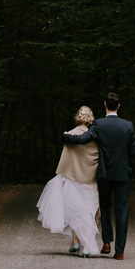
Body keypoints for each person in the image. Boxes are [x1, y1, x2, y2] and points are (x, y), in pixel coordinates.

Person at [65, 92, 135, 260]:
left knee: (104, 208)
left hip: (104, 174)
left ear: (105, 105)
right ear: (118, 106)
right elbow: (133, 153)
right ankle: (119, 251)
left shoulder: (99, 124)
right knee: (122, 211)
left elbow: (82, 139)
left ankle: (106, 242)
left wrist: (66, 136)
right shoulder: (128, 126)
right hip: (122, 175)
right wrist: (129, 171)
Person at [38, 105, 102, 257]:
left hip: (73, 178)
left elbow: (67, 159)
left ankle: (75, 242)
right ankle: (86, 245)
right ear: (91, 118)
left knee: (74, 210)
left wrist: (65, 177)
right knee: (87, 211)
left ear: (78, 117)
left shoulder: (70, 135)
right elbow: (97, 157)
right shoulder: (94, 136)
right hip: (90, 179)